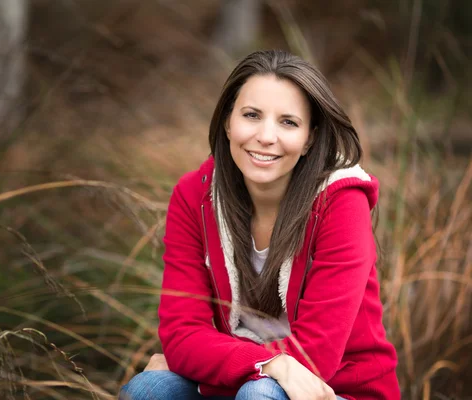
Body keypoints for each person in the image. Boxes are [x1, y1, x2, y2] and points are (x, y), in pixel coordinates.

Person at [119, 50, 399, 400]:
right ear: (227, 121)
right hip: (249, 381)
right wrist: (270, 364)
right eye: (251, 115)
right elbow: (181, 334)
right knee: (149, 389)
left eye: (288, 122)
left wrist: (209, 367)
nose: (266, 136)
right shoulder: (194, 197)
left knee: (259, 394)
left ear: (310, 138)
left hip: (335, 391)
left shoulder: (340, 202)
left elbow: (316, 357)